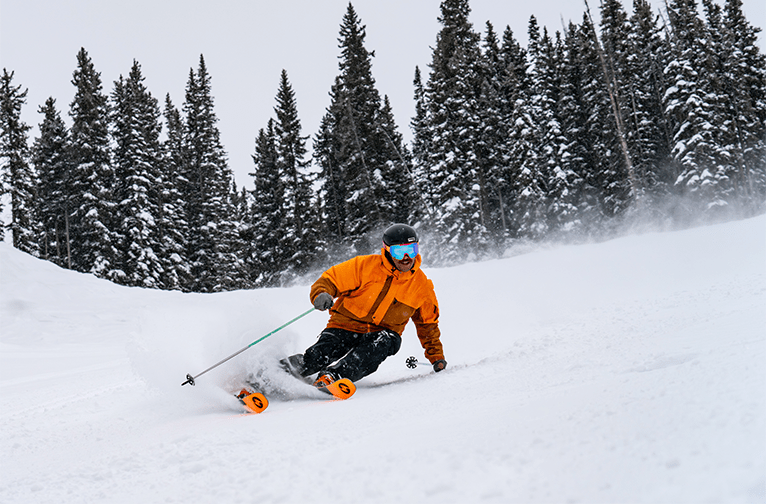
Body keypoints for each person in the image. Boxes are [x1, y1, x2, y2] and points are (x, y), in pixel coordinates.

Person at [283, 223, 446, 388]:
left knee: (380, 345)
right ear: (388, 250)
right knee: (319, 355)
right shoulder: (364, 266)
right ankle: (278, 373)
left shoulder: (421, 286)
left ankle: (334, 377)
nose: (406, 257)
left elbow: (428, 325)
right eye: (399, 251)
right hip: (345, 326)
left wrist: (437, 357)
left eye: (411, 250)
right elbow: (332, 279)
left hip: (382, 334)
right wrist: (321, 293)